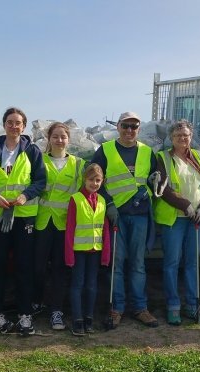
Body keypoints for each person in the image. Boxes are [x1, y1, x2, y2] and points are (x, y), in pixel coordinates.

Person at [0, 107, 46, 337]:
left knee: (24, 265)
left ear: (23, 127)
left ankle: (25, 314)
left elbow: (40, 181)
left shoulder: (32, 151)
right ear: (4, 124)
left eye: (18, 123)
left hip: (23, 215)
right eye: (10, 122)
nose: (14, 126)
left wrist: (25, 195)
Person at [90, 111, 159, 329]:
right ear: (118, 126)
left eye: (134, 126)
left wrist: (155, 179)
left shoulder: (148, 153)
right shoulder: (106, 150)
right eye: (126, 126)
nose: (130, 130)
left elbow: (155, 179)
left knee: (138, 264)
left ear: (139, 129)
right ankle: (117, 308)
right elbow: (94, 180)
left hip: (139, 216)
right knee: (116, 265)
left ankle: (140, 308)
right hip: (116, 215)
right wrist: (108, 205)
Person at [153, 120, 200, 326]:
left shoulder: (199, 156)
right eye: (178, 135)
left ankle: (192, 306)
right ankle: (173, 307)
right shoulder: (163, 157)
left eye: (186, 135)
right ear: (171, 138)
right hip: (174, 219)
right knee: (171, 263)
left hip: (196, 218)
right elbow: (162, 188)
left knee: (192, 264)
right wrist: (184, 204)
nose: (183, 138)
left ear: (191, 137)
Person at [34, 122, 85, 331]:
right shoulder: (39, 160)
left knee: (60, 268)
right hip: (42, 220)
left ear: (68, 139)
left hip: (64, 222)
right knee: (37, 267)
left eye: (63, 136)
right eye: (55, 136)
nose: (59, 140)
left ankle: (56, 310)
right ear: (49, 139)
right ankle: (36, 302)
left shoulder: (78, 164)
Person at [65, 164, 110, 335]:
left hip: (95, 250)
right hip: (78, 251)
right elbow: (70, 228)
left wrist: (105, 253)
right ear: (85, 180)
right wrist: (69, 255)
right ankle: (77, 320)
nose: (95, 183)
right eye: (91, 180)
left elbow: (104, 229)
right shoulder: (76, 199)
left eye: (98, 180)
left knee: (92, 285)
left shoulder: (102, 201)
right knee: (77, 285)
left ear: (102, 181)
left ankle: (89, 318)